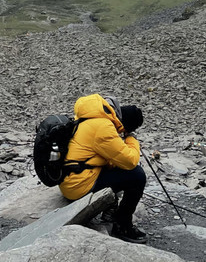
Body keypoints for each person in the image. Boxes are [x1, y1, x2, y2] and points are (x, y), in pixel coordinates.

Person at [59, 93, 147, 243]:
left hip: (71, 178)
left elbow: (101, 158)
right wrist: (131, 139)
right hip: (78, 185)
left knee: (117, 169)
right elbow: (130, 161)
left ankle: (110, 210)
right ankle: (122, 225)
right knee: (137, 176)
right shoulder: (103, 127)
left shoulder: (88, 117)